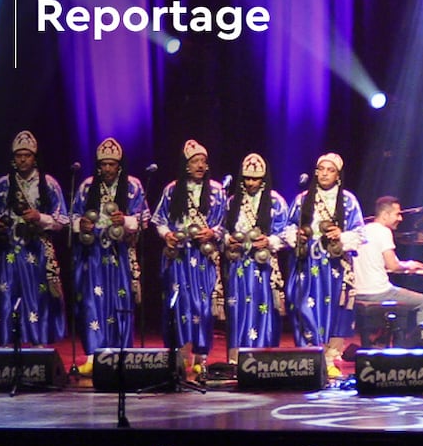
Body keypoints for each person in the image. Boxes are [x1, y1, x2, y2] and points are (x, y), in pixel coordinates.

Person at [70, 137, 150, 375]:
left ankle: (122, 352)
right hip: (93, 254)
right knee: (92, 303)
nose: (107, 169)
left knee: (121, 302)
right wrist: (80, 224)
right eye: (103, 165)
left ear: (119, 166)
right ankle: (93, 355)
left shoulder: (134, 186)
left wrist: (125, 220)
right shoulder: (86, 186)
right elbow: (70, 217)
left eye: (111, 165)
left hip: (122, 254)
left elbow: (146, 218)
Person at [284, 152, 365, 377]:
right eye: (321, 169)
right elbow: (287, 228)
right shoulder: (302, 199)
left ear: (338, 175)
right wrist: (297, 235)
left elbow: (359, 232)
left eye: (330, 171)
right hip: (307, 263)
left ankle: (330, 358)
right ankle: (309, 355)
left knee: (335, 311)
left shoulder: (348, 200)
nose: (325, 174)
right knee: (304, 306)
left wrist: (341, 235)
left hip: (335, 266)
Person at [152, 139, 227, 379]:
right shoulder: (172, 189)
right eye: (195, 162)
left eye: (203, 162)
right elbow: (159, 220)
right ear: (186, 165)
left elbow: (227, 224)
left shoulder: (217, 190)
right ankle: (181, 355)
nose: (200, 166)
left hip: (203, 256)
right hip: (179, 257)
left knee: (202, 306)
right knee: (179, 305)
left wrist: (213, 232)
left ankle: (201, 356)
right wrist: (168, 235)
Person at [0, 130, 68, 346]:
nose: (23, 159)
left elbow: (62, 220)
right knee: (6, 296)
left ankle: (38, 344)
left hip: (37, 250)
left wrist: (38, 217)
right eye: (18, 155)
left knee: (36, 297)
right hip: (9, 250)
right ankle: (5, 345)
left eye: (27, 155)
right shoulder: (4, 183)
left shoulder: (48, 183)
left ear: (34, 157)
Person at [222, 152, 289, 361]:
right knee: (237, 308)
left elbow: (286, 233)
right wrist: (227, 240)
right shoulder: (232, 201)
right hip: (238, 265)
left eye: (255, 178)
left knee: (264, 308)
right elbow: (222, 228)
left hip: (264, 265)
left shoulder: (276, 202)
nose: (250, 183)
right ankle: (236, 357)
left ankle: (263, 356)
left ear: (263, 179)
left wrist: (269, 241)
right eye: (247, 178)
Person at [352, 195, 423, 343]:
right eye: (397, 214)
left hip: (358, 292)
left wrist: (401, 264)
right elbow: (393, 266)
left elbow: (377, 260)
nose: (400, 218)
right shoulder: (383, 231)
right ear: (384, 215)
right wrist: (408, 265)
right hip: (377, 293)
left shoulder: (362, 230)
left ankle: (386, 339)